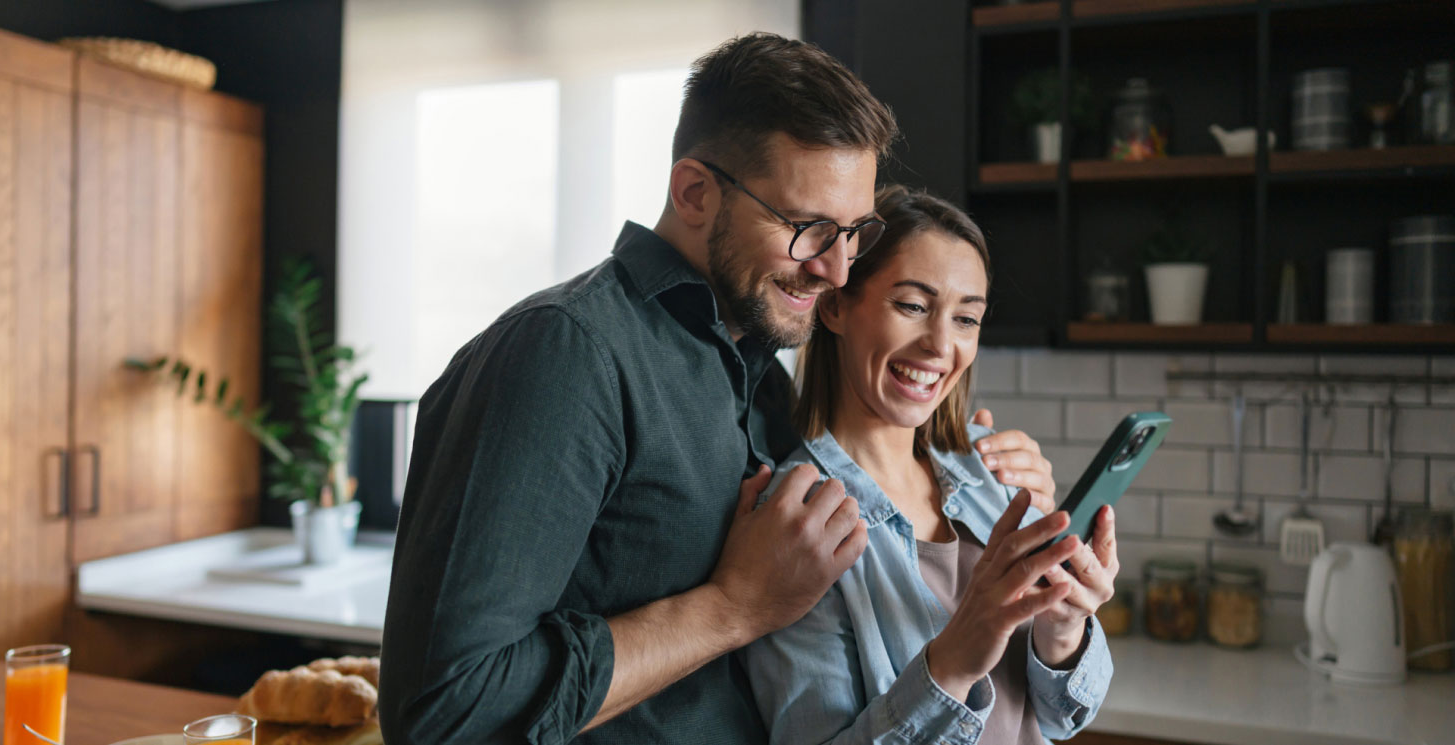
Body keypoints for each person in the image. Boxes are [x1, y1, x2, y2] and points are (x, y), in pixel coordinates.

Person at [379, 34, 1056, 744]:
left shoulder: (760, 374)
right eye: (808, 228)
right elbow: (445, 709)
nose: (836, 269)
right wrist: (731, 606)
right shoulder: (564, 351)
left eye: (853, 233)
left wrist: (973, 466)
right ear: (695, 192)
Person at [741, 185, 1116, 745]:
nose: (942, 346)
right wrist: (954, 663)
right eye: (913, 306)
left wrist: (1063, 627)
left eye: (967, 319)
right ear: (836, 305)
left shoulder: (991, 471)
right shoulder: (800, 522)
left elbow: (1063, 716)